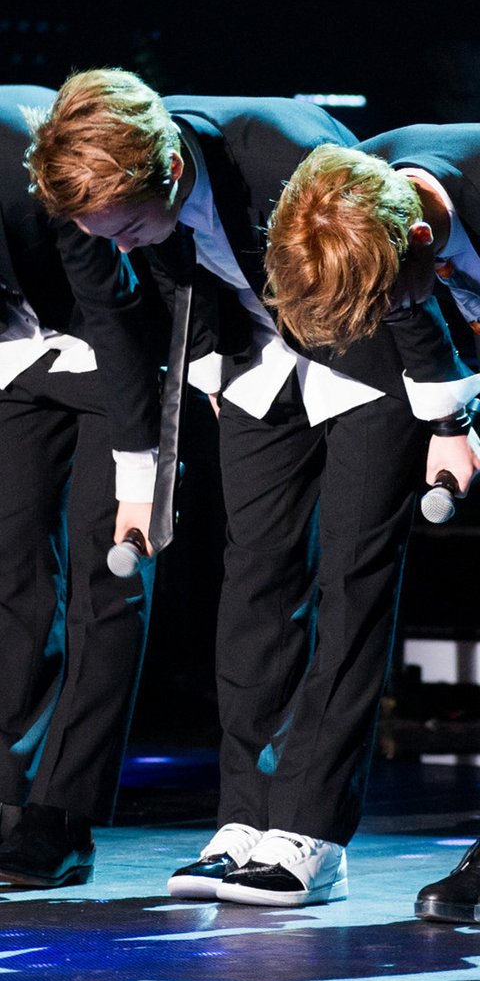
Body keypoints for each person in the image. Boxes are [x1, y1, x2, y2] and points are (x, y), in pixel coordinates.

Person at [25, 70, 480, 907]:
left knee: (350, 578)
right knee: (255, 579)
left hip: (364, 348)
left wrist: (447, 414)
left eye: (128, 228)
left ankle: (310, 829)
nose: (117, 247)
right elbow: (141, 305)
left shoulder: (284, 155)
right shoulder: (104, 202)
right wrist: (159, 447)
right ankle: (244, 817)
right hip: (254, 356)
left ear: (169, 172)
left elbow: (389, 267)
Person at [264, 126, 480, 919]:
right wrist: (450, 420)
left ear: (423, 242)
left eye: (384, 306)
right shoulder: (355, 205)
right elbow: (409, 308)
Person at [0, 85, 158, 889]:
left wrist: (143, 473)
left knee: (109, 572)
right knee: (14, 566)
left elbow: (118, 312)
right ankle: (6, 798)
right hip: (17, 353)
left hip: (116, 345)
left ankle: (62, 814)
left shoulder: (37, 167)